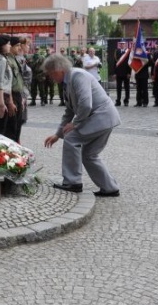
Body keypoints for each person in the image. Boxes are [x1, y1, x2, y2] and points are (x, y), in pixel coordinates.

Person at [43, 53, 121, 197]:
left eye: (50, 74)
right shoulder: (68, 81)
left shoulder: (78, 76)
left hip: (101, 117)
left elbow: (86, 104)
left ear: (58, 70)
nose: (50, 78)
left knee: (72, 138)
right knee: (89, 155)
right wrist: (57, 134)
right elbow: (69, 111)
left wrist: (75, 124)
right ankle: (110, 188)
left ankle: (72, 182)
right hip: (103, 119)